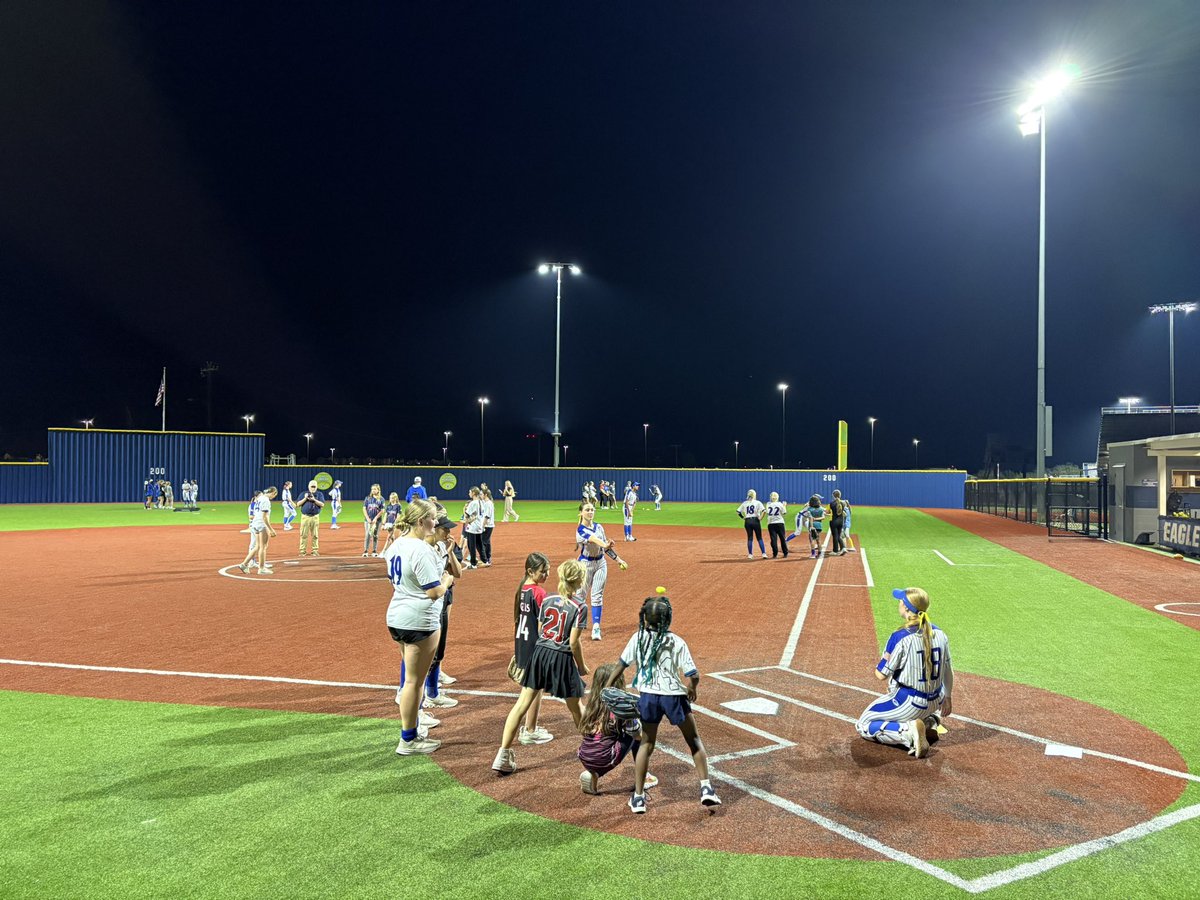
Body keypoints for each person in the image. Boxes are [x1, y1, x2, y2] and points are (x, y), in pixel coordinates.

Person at [616, 594, 720, 813]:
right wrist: (692, 688)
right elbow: (694, 674)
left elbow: (621, 665)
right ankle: (706, 788)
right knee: (693, 740)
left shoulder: (638, 638)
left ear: (644, 619)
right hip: (673, 696)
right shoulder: (677, 641)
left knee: (646, 744)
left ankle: (638, 798)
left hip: (648, 697)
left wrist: (604, 688)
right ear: (667, 620)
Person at [492, 560, 589, 774]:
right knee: (576, 707)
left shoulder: (548, 599)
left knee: (521, 704)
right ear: (579, 581)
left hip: (540, 653)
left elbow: (540, 628)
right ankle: (593, 751)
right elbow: (573, 642)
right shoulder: (580, 607)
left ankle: (503, 754)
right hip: (561, 658)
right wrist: (581, 666)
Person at [384, 499, 456, 755]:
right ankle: (408, 738)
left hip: (396, 616)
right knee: (414, 683)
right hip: (419, 620)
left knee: (410, 681)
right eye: (432, 518)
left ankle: (411, 731)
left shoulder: (395, 546)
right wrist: (447, 580)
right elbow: (434, 591)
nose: (435, 523)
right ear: (419, 521)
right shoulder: (420, 549)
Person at [855, 588, 953, 759]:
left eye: (901, 601)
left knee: (864, 724)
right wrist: (948, 697)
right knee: (900, 691)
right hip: (937, 701)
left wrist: (884, 659)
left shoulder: (899, 636)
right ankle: (930, 722)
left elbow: (881, 675)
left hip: (910, 702)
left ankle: (908, 733)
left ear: (907, 608)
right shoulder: (940, 633)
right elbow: (948, 670)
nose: (898, 603)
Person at [577, 663, 659, 795]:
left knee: (610, 737)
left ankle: (594, 775)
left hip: (584, 755)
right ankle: (644, 776)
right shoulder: (622, 708)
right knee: (636, 733)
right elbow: (638, 735)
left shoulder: (593, 705)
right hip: (604, 758)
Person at [510, 552, 554, 745]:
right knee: (535, 689)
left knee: (532, 688)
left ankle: (530, 727)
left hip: (522, 642)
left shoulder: (522, 589)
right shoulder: (539, 593)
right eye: (543, 572)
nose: (547, 575)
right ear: (531, 571)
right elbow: (543, 624)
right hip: (535, 645)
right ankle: (530, 729)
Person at [421, 513, 463, 710]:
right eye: (445, 529)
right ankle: (421, 699)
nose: (448, 532)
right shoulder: (423, 550)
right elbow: (437, 586)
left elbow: (458, 572)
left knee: (438, 651)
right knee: (425, 655)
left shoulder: (441, 547)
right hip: (429, 606)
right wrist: (445, 581)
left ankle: (433, 692)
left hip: (442, 604)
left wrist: (450, 551)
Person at [576, 501, 626, 641]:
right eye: (587, 510)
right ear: (581, 513)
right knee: (580, 595)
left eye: (592, 509)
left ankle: (596, 627)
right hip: (585, 564)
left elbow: (605, 548)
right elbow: (594, 540)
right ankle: (578, 622)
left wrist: (618, 560)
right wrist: (605, 544)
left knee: (597, 595)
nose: (590, 512)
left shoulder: (599, 527)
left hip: (600, 563)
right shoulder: (580, 530)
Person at [237, 486, 278, 575]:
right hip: (261, 524)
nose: (273, 497)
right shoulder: (266, 500)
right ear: (272, 493)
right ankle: (261, 568)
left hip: (255, 524)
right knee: (263, 547)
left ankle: (244, 564)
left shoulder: (260, 498)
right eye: (274, 495)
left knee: (257, 546)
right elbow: (265, 517)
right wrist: (271, 529)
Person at [736, 489, 767, 560]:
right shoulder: (758, 502)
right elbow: (764, 511)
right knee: (759, 537)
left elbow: (738, 511)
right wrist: (760, 518)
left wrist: (743, 517)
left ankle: (750, 554)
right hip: (755, 520)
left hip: (747, 521)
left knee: (750, 538)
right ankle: (763, 553)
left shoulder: (745, 503)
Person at [296, 480, 325, 556]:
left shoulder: (319, 494)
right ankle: (302, 551)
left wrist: (314, 500)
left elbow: (322, 504)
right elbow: (298, 504)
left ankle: (315, 550)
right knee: (303, 535)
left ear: (316, 487)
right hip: (305, 517)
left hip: (315, 517)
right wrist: (305, 498)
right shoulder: (303, 494)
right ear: (309, 486)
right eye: (312, 486)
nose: (313, 488)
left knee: (315, 535)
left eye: (314, 486)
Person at [461, 486, 484, 569]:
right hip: (479, 525)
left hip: (472, 527)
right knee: (479, 544)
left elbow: (467, 514)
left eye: (470, 492)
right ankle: (484, 560)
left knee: (471, 546)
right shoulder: (481, 502)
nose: (469, 493)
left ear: (473, 493)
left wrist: (466, 520)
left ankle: (473, 564)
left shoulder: (473, 503)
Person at [362, 483, 385, 557]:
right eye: (372, 489)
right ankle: (365, 550)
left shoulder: (381, 499)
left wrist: (375, 518)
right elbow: (364, 509)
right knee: (368, 535)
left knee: (375, 535)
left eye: (375, 489)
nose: (373, 490)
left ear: (378, 490)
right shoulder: (368, 498)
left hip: (377, 521)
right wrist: (368, 518)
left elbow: (382, 510)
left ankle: (374, 550)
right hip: (368, 520)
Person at [765, 492, 789, 559]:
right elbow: (784, 512)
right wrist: (784, 505)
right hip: (780, 523)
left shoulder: (768, 504)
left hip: (771, 523)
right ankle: (785, 553)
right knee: (782, 538)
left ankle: (775, 554)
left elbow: (767, 512)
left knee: (773, 539)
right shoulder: (780, 504)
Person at [479, 487, 496, 566]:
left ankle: (485, 560)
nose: (480, 495)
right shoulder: (487, 503)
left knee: (483, 542)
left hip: (487, 525)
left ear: (485, 495)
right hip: (488, 525)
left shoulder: (488, 503)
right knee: (486, 542)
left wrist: (482, 526)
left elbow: (487, 516)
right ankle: (487, 559)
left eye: (482, 494)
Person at [828, 490, 847, 556]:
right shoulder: (843, 503)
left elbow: (829, 512)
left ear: (833, 496)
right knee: (838, 536)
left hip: (834, 521)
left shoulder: (832, 503)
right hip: (841, 521)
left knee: (835, 536)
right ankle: (843, 548)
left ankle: (835, 551)